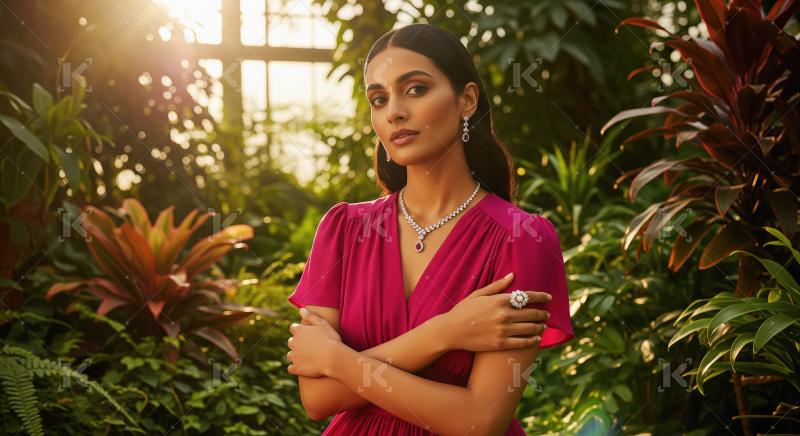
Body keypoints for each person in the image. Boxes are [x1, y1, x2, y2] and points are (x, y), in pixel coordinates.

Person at [286, 23, 574, 435]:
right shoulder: (344, 229)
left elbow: (480, 420)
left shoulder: (522, 239)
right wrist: (444, 333)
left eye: (416, 89)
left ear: (467, 100)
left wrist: (337, 361)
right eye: (379, 98)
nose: (394, 111)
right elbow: (317, 399)